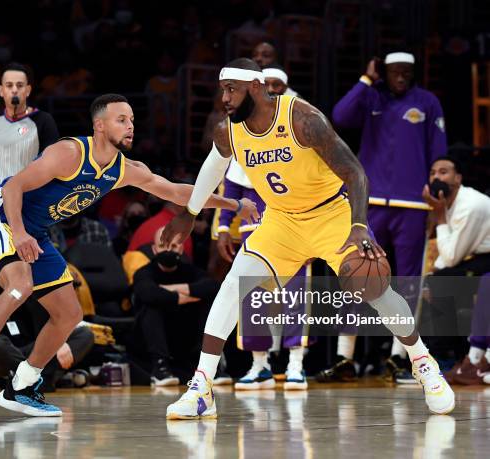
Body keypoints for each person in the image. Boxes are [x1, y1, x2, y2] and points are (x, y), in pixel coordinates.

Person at [163, 58, 454, 420]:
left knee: (375, 287)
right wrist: (189, 213)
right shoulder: (229, 131)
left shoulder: (302, 119)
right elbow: (213, 165)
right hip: (282, 221)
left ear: (254, 87)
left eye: (231, 89)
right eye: (223, 89)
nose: (224, 97)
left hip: (331, 213)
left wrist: (359, 225)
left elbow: (354, 172)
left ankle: (422, 361)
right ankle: (202, 386)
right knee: (233, 286)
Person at [0, 94, 257, 416]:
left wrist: (235, 205)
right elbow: (12, 188)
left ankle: (22, 385)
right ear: (100, 125)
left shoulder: (123, 169)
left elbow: (177, 191)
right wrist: (19, 234)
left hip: (35, 229)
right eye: (122, 120)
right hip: (3, 215)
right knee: (19, 284)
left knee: (69, 314)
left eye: (132, 120)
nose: (131, 126)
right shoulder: (69, 153)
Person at [332, 52, 447, 382]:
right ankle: (344, 357)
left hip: (412, 206)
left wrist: (435, 198)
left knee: (408, 280)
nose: (402, 77)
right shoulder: (371, 96)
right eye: (395, 72)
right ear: (385, 72)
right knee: (357, 273)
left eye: (407, 72)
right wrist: (366, 80)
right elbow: (340, 115)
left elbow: (438, 152)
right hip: (371, 204)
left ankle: (401, 357)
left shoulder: (427, 102)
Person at [0, 62, 59, 389]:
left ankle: (35, 376)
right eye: (9, 85)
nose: (15, 90)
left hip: (28, 216)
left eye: (21, 85)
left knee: (37, 293)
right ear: (1, 91)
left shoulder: (42, 123)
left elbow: (54, 168)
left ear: (29, 89)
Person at [217, 65, 308, 391]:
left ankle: (296, 364)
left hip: (293, 228)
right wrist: (223, 228)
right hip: (255, 230)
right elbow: (232, 187)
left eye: (278, 85)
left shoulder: (299, 125)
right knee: (253, 298)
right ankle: (260, 366)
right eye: (266, 84)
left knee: (296, 296)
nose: (272, 89)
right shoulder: (243, 129)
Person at [422, 156, 490, 382]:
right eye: (433, 173)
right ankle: (460, 357)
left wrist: (439, 217)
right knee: (435, 280)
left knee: (443, 282)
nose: (436, 177)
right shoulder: (445, 201)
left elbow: (451, 257)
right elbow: (449, 255)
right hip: (472, 259)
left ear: (458, 178)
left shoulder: (470, 205)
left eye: (444, 172)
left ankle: (456, 358)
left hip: (485, 260)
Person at [133, 227, 220, 386]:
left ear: (181, 248)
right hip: (153, 338)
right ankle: (160, 368)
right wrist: (186, 296)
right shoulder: (144, 272)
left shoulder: (191, 270)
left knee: (209, 304)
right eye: (163, 246)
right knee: (150, 306)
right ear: (154, 249)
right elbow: (147, 292)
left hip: (186, 334)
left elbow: (212, 286)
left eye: (173, 246)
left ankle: (210, 364)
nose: (168, 250)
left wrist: (172, 289)